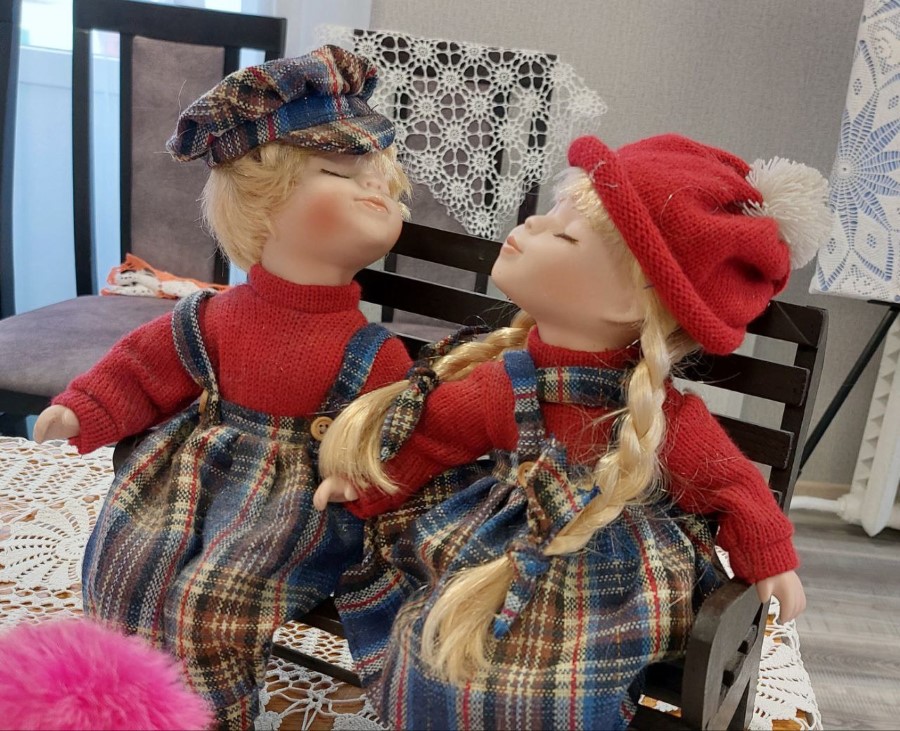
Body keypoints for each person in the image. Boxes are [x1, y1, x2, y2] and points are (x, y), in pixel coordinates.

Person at [314, 132, 830, 729]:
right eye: (551, 216)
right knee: (436, 643)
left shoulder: (660, 419)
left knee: (554, 677)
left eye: (564, 234)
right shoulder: (505, 385)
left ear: (630, 304)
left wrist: (770, 559)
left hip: (612, 575)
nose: (532, 224)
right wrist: (372, 484)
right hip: (496, 545)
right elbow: (436, 437)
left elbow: (732, 485)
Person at [33, 46, 412, 729]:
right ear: (263, 202)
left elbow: (395, 432)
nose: (376, 192)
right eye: (339, 172)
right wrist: (83, 407)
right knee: (125, 555)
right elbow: (145, 366)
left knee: (208, 603)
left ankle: (206, 716)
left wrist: (358, 472)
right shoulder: (212, 317)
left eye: (384, 182)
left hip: (296, 501)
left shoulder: (373, 352)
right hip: (190, 476)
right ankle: (117, 699)